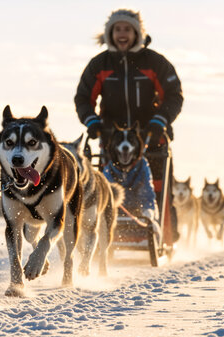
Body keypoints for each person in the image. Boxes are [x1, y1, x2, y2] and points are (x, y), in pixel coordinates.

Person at [75, 8, 183, 241]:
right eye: (117, 29)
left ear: (137, 33)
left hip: (152, 136)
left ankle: (165, 237)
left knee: (157, 188)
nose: (122, 34)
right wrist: (92, 121)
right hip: (112, 139)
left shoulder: (155, 62)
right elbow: (83, 97)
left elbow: (174, 95)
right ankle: (103, 235)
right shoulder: (99, 64)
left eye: (127, 29)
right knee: (106, 189)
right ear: (110, 33)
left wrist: (160, 121)